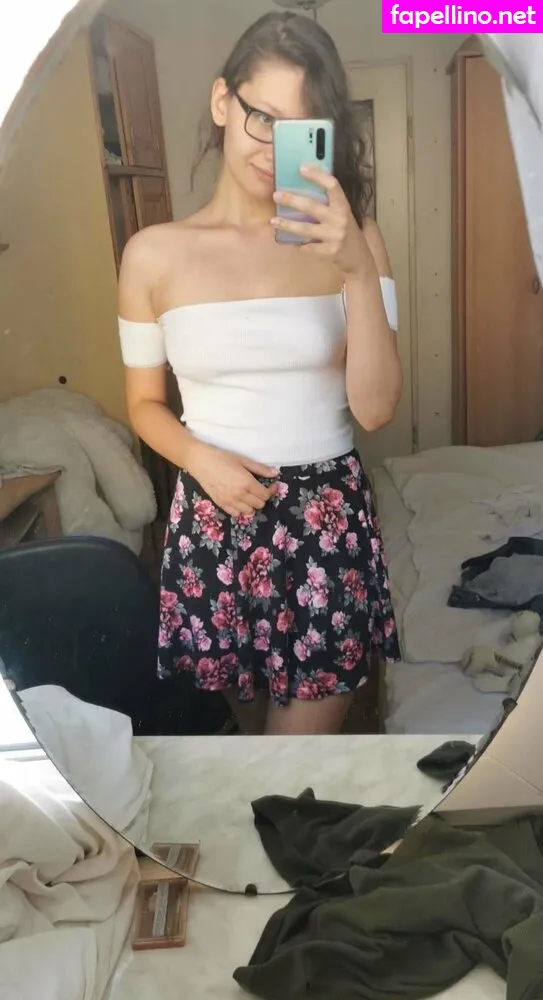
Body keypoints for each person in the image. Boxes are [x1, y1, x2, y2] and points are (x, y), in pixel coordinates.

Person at [117, 12, 402, 736]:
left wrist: (357, 272)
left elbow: (375, 409)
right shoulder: (151, 254)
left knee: (290, 757)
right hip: (214, 518)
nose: (274, 149)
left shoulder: (355, 241)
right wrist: (198, 458)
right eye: (262, 118)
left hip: (325, 522)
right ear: (223, 102)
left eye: (299, 129)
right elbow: (144, 405)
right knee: (247, 745)